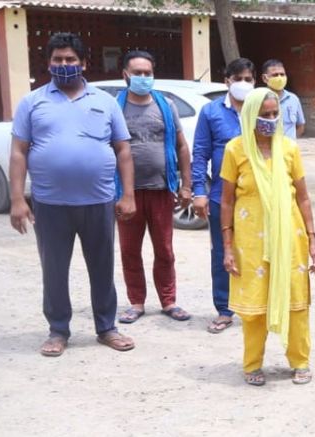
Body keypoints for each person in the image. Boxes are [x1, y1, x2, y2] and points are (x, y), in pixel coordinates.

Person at [8, 32, 136, 356]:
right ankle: (57, 330)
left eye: (70, 59)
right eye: (57, 59)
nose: (63, 65)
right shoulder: (32, 102)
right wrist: (17, 199)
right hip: (50, 203)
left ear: (83, 63)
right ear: (49, 63)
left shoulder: (105, 102)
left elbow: (123, 150)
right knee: (54, 270)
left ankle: (106, 328)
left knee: (102, 268)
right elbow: (19, 152)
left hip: (99, 200)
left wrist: (128, 195)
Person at [219, 88, 315, 386]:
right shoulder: (235, 150)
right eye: (265, 115)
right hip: (250, 242)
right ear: (251, 115)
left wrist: (313, 238)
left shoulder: (289, 149)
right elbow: (226, 202)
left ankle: (300, 361)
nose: (271, 119)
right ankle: (252, 364)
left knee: (296, 301)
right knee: (254, 306)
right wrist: (227, 246)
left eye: (275, 114)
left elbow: (303, 197)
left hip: (290, 238)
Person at [114, 50, 192, 324]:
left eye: (148, 73)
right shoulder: (115, 107)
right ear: (126, 75)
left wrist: (186, 185)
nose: (143, 77)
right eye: (137, 73)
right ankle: (136, 302)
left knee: (165, 250)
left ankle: (169, 301)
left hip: (161, 189)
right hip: (127, 194)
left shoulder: (166, 105)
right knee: (129, 250)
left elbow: (182, 146)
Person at [192, 58, 256, 334]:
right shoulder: (211, 112)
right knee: (222, 252)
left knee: (256, 251)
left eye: (248, 79)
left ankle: (255, 306)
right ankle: (225, 309)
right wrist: (199, 191)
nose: (243, 83)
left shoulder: (260, 109)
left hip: (255, 197)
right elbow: (200, 153)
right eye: (238, 78)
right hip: (221, 196)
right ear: (227, 80)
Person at [261, 59, 305, 139]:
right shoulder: (259, 99)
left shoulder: (293, 99)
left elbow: (300, 126)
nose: (279, 78)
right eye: (275, 75)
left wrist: (290, 142)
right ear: (265, 78)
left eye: (282, 74)